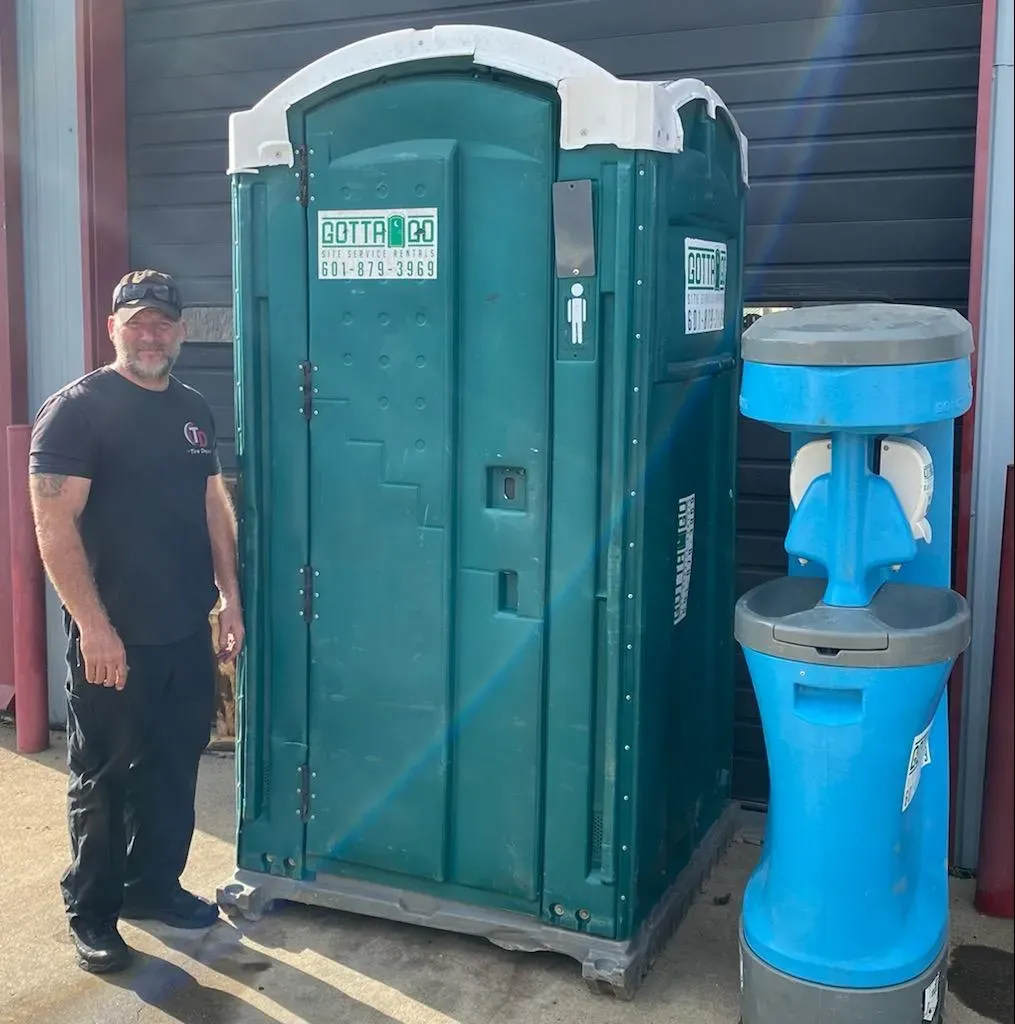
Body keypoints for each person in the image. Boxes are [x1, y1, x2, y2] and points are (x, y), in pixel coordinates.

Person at [28, 269, 245, 974]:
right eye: (137, 321)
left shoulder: (190, 407)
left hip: (184, 627)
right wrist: (92, 626)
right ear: (112, 327)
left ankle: (152, 886)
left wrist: (229, 596)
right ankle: (92, 911)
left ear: (179, 332)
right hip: (113, 635)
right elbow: (52, 525)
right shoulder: (79, 410)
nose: (150, 334)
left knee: (173, 766)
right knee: (104, 776)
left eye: (162, 323)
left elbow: (212, 501)